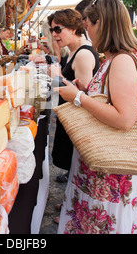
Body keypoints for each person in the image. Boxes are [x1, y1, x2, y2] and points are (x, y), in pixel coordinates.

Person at [55, 0, 137, 234]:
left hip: (110, 169)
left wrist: (79, 98)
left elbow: (124, 118)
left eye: (89, 27)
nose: (88, 33)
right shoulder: (113, 59)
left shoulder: (123, 61)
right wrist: (85, 91)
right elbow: (109, 100)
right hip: (100, 165)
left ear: (102, 24)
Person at [48, 9, 100, 184]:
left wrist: (57, 77)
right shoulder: (73, 50)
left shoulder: (83, 54)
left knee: (77, 163)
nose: (54, 34)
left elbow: (84, 96)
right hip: (70, 117)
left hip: (78, 122)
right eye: (52, 30)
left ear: (73, 27)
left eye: (58, 29)